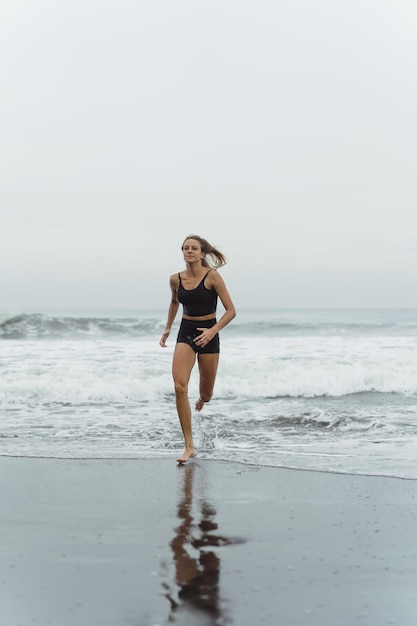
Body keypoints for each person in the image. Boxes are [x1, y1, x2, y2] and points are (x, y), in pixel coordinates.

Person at [159, 235, 236, 464]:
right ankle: (189, 446)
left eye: (194, 248)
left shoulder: (212, 277)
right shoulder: (175, 279)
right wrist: (167, 329)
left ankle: (203, 399)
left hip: (209, 332)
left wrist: (212, 331)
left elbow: (231, 310)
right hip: (187, 330)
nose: (189, 251)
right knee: (179, 385)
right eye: (185, 248)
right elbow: (175, 302)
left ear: (202, 253)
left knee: (207, 393)